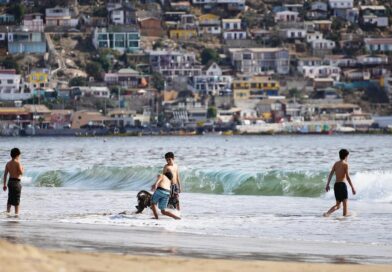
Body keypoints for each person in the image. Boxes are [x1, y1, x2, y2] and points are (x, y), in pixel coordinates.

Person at [323, 149, 356, 217]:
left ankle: (327, 213)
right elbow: (347, 177)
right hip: (342, 185)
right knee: (345, 206)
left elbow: (331, 174)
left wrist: (327, 185)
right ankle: (344, 221)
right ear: (346, 156)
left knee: (338, 205)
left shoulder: (336, 163)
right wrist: (352, 187)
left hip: (336, 185)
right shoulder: (345, 164)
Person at [3, 148, 24, 216]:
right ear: (17, 155)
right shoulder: (17, 162)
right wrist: (23, 168)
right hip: (16, 182)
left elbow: (5, 174)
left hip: (10, 182)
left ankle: (8, 212)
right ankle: (16, 214)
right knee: (17, 199)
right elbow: (21, 173)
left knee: (10, 198)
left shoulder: (8, 163)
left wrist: (4, 184)